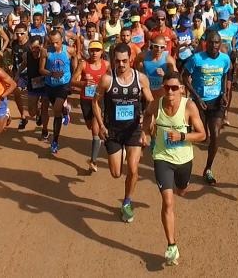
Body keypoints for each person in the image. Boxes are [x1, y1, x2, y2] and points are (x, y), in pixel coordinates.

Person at [141, 69, 207, 266]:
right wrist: (146, 131)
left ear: (181, 89)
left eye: (173, 88)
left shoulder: (189, 107)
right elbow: (147, 114)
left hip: (184, 160)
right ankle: (172, 245)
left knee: (182, 190)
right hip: (162, 158)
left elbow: (202, 135)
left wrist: (182, 137)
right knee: (168, 202)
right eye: (166, 88)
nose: (169, 92)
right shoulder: (157, 104)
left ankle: (181, 187)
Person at [92, 43, 153, 223]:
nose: (121, 65)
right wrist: (102, 126)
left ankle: (127, 202)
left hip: (133, 129)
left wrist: (146, 120)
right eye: (117, 61)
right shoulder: (106, 80)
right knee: (116, 173)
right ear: (113, 60)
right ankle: (122, 152)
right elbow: (95, 102)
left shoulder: (141, 79)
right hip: (113, 131)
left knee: (133, 170)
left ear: (131, 60)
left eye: (125, 61)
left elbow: (150, 100)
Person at [181, 30, 233, 185]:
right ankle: (184, 167)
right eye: (211, 42)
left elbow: (224, 75)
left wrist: (223, 93)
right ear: (206, 43)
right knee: (202, 136)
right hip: (199, 102)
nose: (214, 45)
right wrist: (196, 97)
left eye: (217, 42)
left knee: (215, 135)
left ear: (220, 44)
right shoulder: (196, 59)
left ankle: (208, 169)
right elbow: (184, 77)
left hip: (216, 102)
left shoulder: (225, 59)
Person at [72, 40, 109, 172]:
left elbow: (114, 80)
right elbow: (72, 81)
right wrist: (83, 84)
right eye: (92, 50)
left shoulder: (106, 65)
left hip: (99, 101)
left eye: (97, 50)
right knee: (90, 127)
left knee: (95, 129)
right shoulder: (83, 64)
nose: (94, 53)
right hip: (86, 100)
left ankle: (93, 161)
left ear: (102, 52)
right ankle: (108, 139)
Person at [40, 31, 76, 155]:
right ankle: (65, 111)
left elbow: (75, 60)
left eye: (57, 42)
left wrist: (73, 77)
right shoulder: (45, 51)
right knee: (58, 108)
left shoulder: (69, 50)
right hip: (50, 85)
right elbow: (41, 69)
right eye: (52, 42)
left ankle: (55, 141)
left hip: (63, 85)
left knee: (56, 110)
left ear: (62, 40)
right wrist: (51, 73)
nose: (55, 45)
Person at [135, 35, 177, 101]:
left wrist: (164, 75)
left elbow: (175, 77)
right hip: (148, 91)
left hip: (161, 92)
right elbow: (136, 64)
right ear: (152, 45)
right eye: (156, 46)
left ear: (165, 47)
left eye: (162, 47)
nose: (159, 50)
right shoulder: (143, 55)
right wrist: (141, 75)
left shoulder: (168, 59)